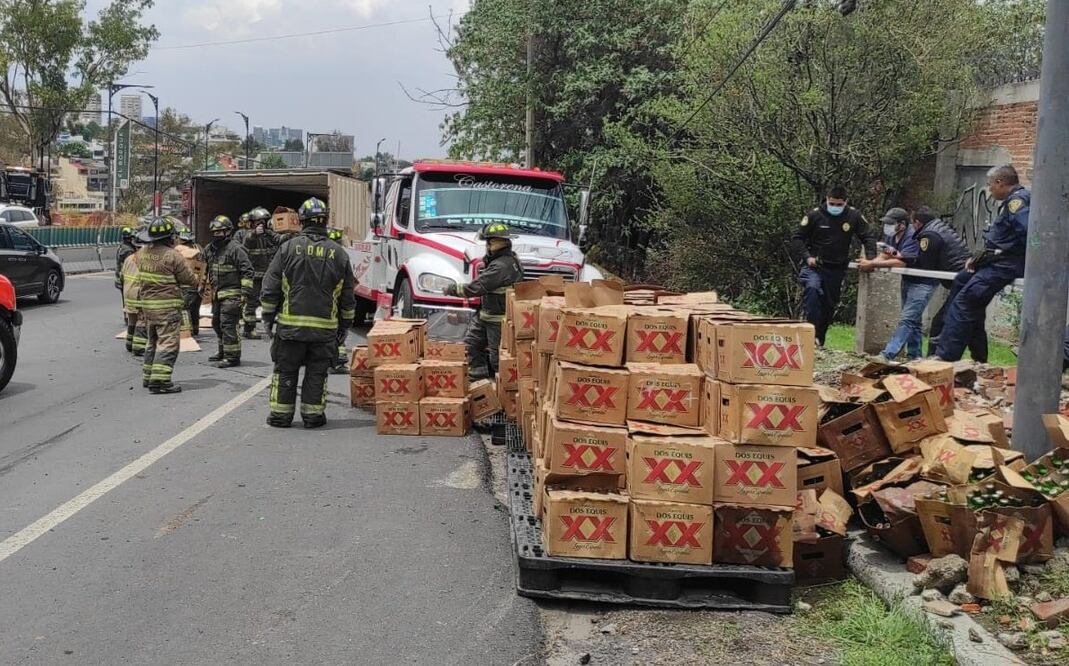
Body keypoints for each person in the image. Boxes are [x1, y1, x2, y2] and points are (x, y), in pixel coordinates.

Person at [261, 198, 355, 429]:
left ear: (301, 221)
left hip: (290, 329)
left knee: (285, 371)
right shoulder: (339, 254)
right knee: (316, 373)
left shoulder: (288, 248)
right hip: (324, 332)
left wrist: (267, 318)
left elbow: (270, 287)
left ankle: (281, 416)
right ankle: (312, 416)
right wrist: (344, 327)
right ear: (324, 222)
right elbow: (348, 297)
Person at [936, 165, 1029, 362]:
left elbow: (1024, 235)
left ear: (1000, 182)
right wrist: (980, 259)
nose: (989, 190)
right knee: (961, 281)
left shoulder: (1018, 201)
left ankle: (946, 357)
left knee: (966, 302)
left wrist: (996, 255)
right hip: (996, 261)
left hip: (1005, 264)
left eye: (990, 185)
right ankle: (978, 357)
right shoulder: (1014, 200)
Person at [860, 207, 969, 361]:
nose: (888, 227)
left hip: (924, 282)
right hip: (908, 280)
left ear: (903, 224)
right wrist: (871, 262)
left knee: (908, 319)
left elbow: (902, 261)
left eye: (891, 223)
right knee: (915, 321)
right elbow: (886, 253)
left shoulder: (914, 236)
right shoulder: (894, 236)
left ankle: (888, 354)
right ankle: (915, 356)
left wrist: (872, 265)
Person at [790, 185, 878, 347]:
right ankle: (811, 335)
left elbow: (868, 237)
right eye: (832, 204)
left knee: (828, 306)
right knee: (813, 291)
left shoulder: (853, 216)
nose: (835, 207)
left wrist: (871, 260)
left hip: (836, 269)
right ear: (827, 200)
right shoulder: (815, 215)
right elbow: (797, 238)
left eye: (839, 205)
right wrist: (807, 257)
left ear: (845, 202)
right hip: (814, 266)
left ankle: (819, 340)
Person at [444, 222, 524, 379]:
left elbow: (476, 288)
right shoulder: (506, 260)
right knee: (471, 344)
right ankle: (478, 382)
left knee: (497, 359)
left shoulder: (501, 266)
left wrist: (451, 289)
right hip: (486, 315)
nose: (487, 246)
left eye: (489, 242)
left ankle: (502, 391)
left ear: (498, 243)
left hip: (497, 319)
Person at [133, 217, 200, 394]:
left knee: (152, 342)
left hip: (148, 308)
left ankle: (148, 377)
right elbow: (189, 280)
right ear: (169, 237)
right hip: (167, 309)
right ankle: (160, 381)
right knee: (168, 344)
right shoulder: (173, 256)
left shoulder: (141, 253)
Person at [203, 215, 255, 368]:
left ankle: (232, 357)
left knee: (228, 324)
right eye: (214, 232)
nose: (216, 235)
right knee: (216, 323)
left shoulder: (236, 249)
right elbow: (202, 268)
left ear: (228, 232)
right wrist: (200, 285)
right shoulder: (210, 249)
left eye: (220, 232)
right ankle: (223, 351)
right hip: (217, 294)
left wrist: (245, 293)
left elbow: (247, 271)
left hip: (232, 294)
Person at [242, 206, 279, 339]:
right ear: (252, 223)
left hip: (269, 276)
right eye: (259, 221)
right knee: (251, 304)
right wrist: (254, 234)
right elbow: (247, 242)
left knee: (272, 303)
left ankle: (269, 328)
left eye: (264, 221)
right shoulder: (249, 236)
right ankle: (249, 329)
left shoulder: (269, 236)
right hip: (255, 277)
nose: (262, 224)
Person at [327, 227, 350, 374]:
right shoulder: (342, 257)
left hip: (330, 299)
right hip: (335, 299)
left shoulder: (338, 257)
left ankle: (338, 357)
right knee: (337, 327)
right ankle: (337, 357)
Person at [119, 238, 147, 356]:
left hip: (128, 293)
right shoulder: (145, 260)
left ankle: (129, 343)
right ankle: (139, 347)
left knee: (132, 320)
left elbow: (122, 276)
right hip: (138, 293)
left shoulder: (129, 259)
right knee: (142, 319)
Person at [176, 227, 205, 336]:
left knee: (185, 308)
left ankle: (187, 331)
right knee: (195, 308)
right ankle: (195, 329)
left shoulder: (178, 250)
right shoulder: (199, 248)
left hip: (185, 284)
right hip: (197, 283)